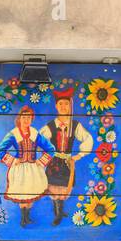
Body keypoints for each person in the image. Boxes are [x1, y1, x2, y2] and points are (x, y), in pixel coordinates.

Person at [39, 87, 94, 226]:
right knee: (54, 187)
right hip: (54, 162)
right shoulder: (50, 126)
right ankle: (57, 214)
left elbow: (87, 138)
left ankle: (60, 210)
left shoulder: (74, 125)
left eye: (66, 104)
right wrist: (47, 153)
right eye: (61, 104)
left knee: (65, 187)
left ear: (70, 106)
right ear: (56, 106)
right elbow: (40, 141)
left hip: (68, 162)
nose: (64, 107)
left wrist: (79, 155)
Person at [0, 106, 56, 227]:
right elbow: (0, 150)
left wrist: (42, 161)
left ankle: (27, 217)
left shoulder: (34, 133)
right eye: (24, 117)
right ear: (19, 118)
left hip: (33, 169)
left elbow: (50, 148)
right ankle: (23, 218)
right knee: (23, 194)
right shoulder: (13, 134)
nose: (26, 120)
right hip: (19, 170)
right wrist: (13, 160)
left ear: (31, 119)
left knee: (31, 194)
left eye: (28, 118)